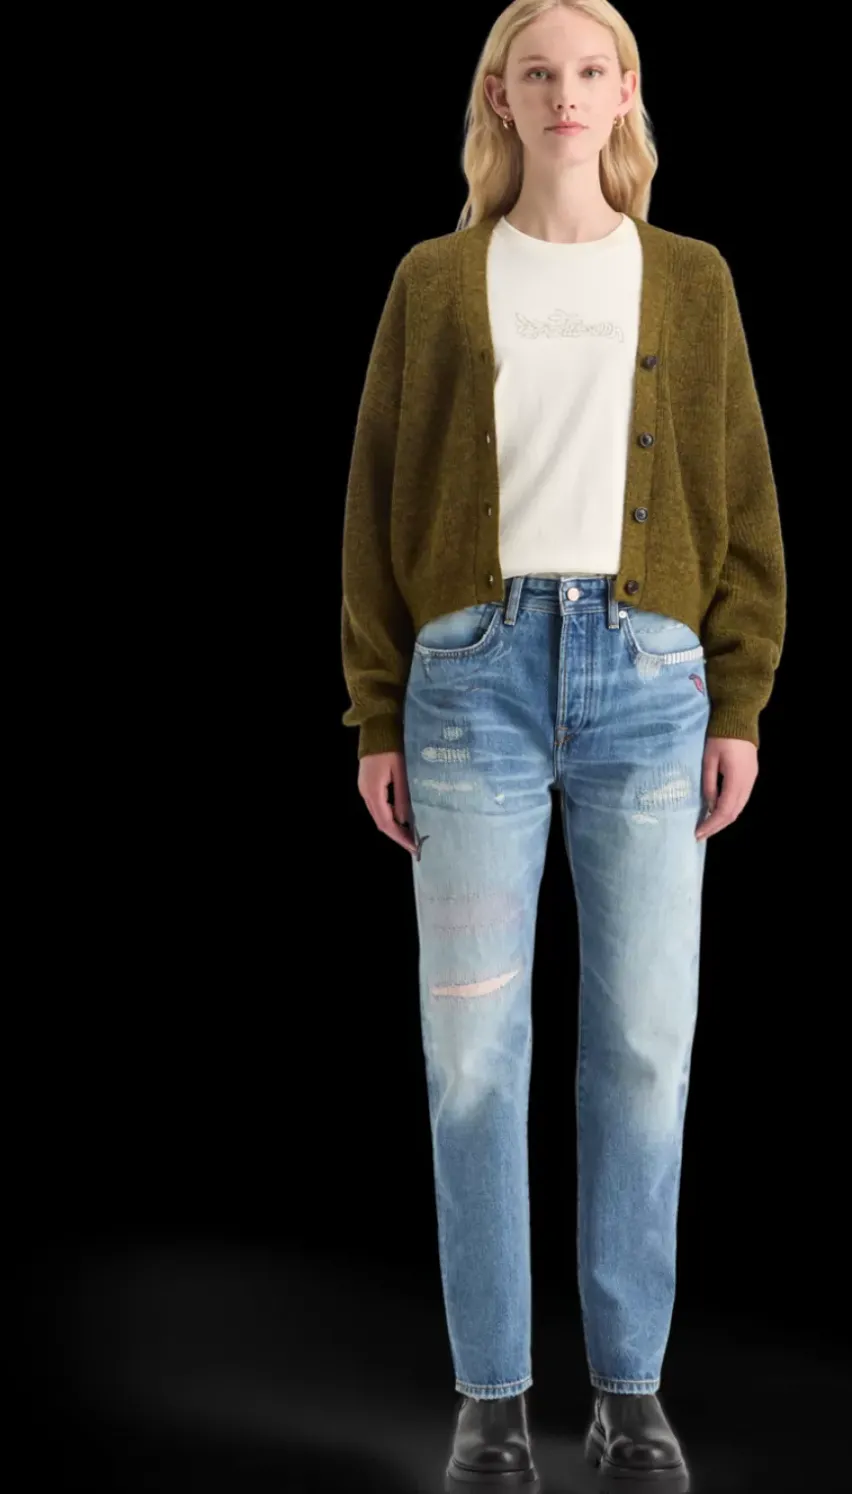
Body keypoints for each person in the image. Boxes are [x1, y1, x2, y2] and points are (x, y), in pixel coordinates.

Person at [340, 1, 786, 1488]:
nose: (567, 93)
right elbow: (375, 495)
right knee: (473, 1053)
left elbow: (744, 494)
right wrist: (378, 708)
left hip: (651, 680)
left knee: (646, 1044)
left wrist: (740, 697)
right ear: (501, 99)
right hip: (469, 679)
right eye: (539, 72)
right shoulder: (434, 278)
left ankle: (629, 1390)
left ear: (627, 93)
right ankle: (491, 1398)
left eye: (592, 70)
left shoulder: (694, 279)